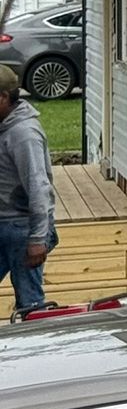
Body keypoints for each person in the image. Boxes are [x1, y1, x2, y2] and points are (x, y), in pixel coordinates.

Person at [0, 67, 57, 312]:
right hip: (5, 224)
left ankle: (35, 346)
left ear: (3, 97)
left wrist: (37, 239)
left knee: (30, 303)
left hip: (22, 230)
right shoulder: (4, 125)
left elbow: (39, 188)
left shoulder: (23, 134)